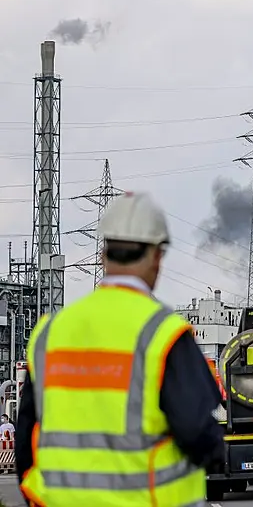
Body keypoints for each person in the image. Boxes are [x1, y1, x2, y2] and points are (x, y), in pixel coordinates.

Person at [15, 191, 225, 506]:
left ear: (103, 254)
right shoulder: (164, 334)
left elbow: (25, 442)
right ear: (157, 257)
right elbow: (198, 434)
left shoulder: (50, 332)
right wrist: (217, 456)